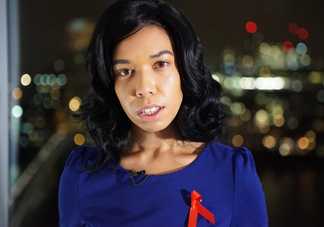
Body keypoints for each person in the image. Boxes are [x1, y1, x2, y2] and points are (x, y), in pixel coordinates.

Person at [58, 0, 269, 226]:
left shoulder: (233, 172)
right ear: (110, 84)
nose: (143, 88)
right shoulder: (82, 174)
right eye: (125, 71)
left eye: (160, 64)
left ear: (185, 70)